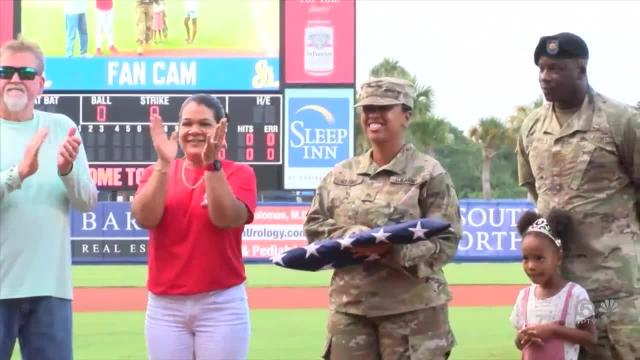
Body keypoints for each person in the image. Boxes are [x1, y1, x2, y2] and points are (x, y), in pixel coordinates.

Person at [303, 77, 462, 359]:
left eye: (383, 107)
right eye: (366, 108)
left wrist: (393, 251)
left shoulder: (428, 172)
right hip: (350, 310)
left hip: (413, 313)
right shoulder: (341, 174)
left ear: (406, 116)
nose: (373, 114)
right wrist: (352, 236)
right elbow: (315, 227)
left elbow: (446, 239)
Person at [516, 32, 640, 359]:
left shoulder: (621, 121)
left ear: (581, 70)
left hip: (613, 287)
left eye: (555, 68)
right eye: (541, 68)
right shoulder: (531, 127)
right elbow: (535, 191)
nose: (545, 77)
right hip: (557, 291)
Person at [131, 94, 257, 360]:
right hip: (165, 307)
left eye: (205, 124)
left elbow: (226, 218)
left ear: (220, 129)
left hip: (221, 304)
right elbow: (145, 218)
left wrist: (212, 167)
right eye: (187, 124)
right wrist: (164, 164)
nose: (195, 131)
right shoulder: (156, 172)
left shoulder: (239, 173)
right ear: (178, 130)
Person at [0, 38, 97, 360]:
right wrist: (18, 174)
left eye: (26, 72)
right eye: (6, 71)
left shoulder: (61, 127)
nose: (15, 79)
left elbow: (87, 202)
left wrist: (67, 170)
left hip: (50, 292)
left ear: (40, 83)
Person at [510, 209, 596, 360]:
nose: (531, 266)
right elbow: (519, 344)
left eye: (539, 258)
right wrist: (520, 337)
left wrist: (554, 330)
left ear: (558, 257)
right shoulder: (523, 297)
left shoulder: (577, 294)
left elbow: (590, 337)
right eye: (525, 258)